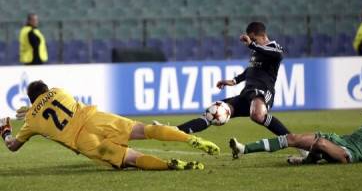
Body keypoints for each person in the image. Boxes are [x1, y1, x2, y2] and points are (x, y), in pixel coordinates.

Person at [0, 80, 220, 171]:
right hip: (97, 119)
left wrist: (5, 130)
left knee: (131, 158)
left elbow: (13, 145)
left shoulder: (30, 122)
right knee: (145, 130)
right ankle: (189, 138)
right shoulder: (58, 91)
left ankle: (171, 165)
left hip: (85, 141)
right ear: (46, 89)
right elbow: (51, 105)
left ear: (30, 100)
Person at [156, 22, 293, 140]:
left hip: (263, 92)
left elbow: (277, 55)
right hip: (246, 94)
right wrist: (233, 81)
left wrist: (252, 45)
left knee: (257, 115)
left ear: (261, 35)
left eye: (253, 39)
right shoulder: (257, 51)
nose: (251, 42)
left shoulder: (274, 48)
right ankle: (173, 130)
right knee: (213, 113)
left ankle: (296, 141)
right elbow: (250, 70)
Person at [229, 90, 362, 165]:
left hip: (350, 154)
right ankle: (243, 149)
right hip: (340, 140)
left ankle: (306, 160)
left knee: (320, 144)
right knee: (292, 138)